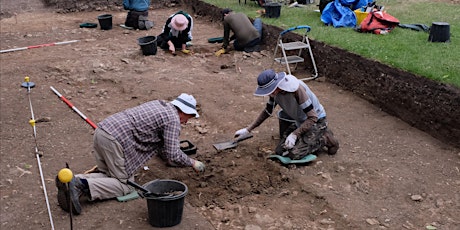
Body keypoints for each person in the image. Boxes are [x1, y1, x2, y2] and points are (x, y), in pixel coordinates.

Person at [55, 93, 206, 215]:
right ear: (184, 112)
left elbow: (161, 144)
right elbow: (173, 154)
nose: (186, 122)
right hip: (114, 142)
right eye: (189, 118)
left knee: (110, 175)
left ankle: (72, 180)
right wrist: (192, 162)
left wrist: (168, 155)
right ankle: (80, 185)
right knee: (125, 185)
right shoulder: (173, 120)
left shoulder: (159, 104)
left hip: (102, 132)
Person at [234, 69, 339, 160]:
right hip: (300, 122)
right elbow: (267, 111)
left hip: (316, 121)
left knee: (294, 154)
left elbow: (312, 117)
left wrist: (295, 134)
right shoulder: (274, 93)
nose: (269, 93)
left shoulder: (297, 90)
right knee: (280, 151)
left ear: (276, 85)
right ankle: (311, 136)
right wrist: (248, 129)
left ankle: (324, 138)